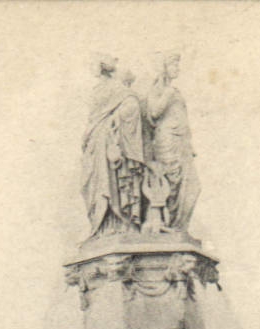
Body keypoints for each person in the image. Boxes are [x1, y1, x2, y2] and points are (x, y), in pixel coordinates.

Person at [82, 56, 149, 240]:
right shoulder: (97, 90)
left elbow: (132, 105)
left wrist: (114, 121)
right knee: (94, 184)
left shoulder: (118, 89)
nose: (92, 69)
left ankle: (121, 224)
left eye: (94, 64)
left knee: (114, 182)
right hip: (96, 143)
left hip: (112, 141)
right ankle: (102, 226)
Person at [143, 52, 199, 232]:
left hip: (181, 142)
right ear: (164, 68)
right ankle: (167, 225)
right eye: (174, 65)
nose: (177, 68)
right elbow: (153, 112)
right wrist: (167, 94)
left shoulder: (176, 91)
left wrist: (189, 144)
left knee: (192, 187)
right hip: (166, 141)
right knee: (170, 184)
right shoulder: (159, 89)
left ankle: (178, 226)